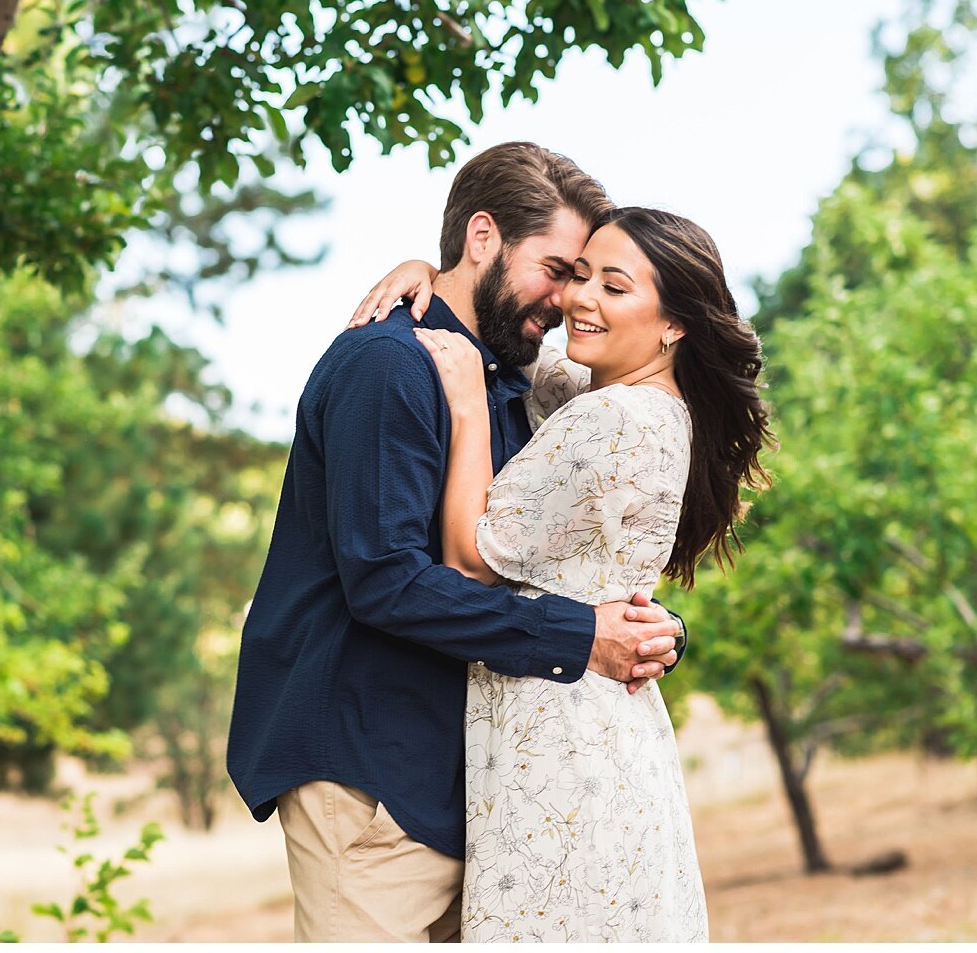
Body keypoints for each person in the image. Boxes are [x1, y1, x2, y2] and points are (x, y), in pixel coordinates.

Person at [226, 143, 692, 943]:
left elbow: (549, 551)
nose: (567, 297)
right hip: (370, 771)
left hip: (470, 781)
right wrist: (583, 637)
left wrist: (646, 629)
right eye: (557, 268)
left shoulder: (505, 378)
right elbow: (386, 580)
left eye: (585, 276)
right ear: (483, 237)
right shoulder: (389, 366)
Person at [357, 206, 773, 941]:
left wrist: (466, 408)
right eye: (580, 275)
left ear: (673, 323)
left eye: (615, 287)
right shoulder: (634, 403)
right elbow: (518, 351)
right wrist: (438, 275)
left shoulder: (610, 419)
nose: (581, 299)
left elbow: (466, 559)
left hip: (558, 734)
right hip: (607, 721)